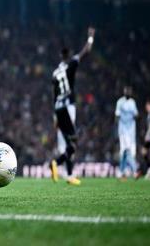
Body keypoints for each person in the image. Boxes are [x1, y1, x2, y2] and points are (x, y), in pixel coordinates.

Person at [49, 27, 95, 186]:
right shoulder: (71, 64)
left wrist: (55, 116)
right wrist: (90, 37)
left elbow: (54, 95)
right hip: (68, 106)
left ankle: (68, 174)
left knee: (68, 142)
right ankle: (57, 163)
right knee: (73, 141)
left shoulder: (55, 73)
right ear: (68, 55)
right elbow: (86, 51)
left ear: (60, 56)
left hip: (58, 109)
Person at [115, 86, 138, 180]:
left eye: (129, 91)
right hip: (123, 131)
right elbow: (117, 115)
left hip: (131, 131)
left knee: (125, 152)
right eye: (126, 91)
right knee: (128, 150)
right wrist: (119, 129)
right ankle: (135, 171)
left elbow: (136, 114)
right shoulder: (120, 102)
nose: (128, 93)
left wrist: (135, 117)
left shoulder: (133, 102)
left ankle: (121, 172)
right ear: (124, 92)